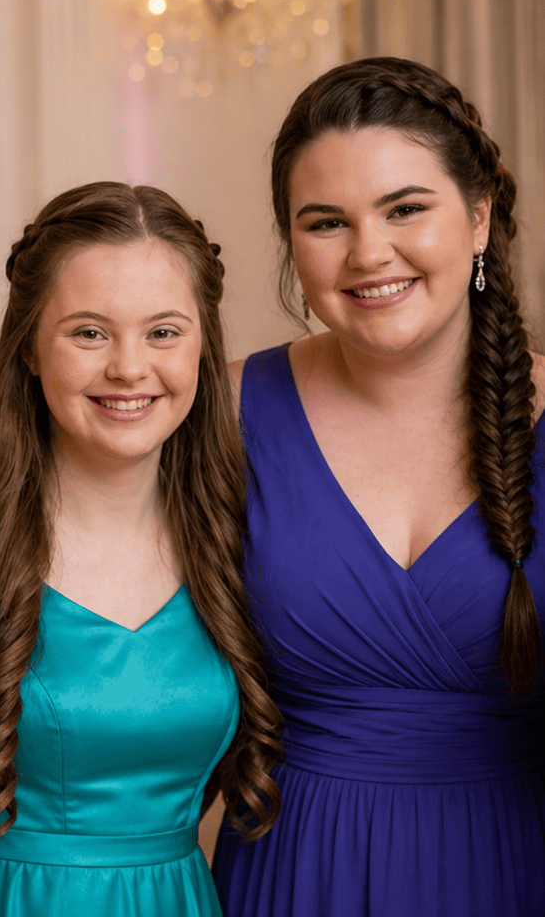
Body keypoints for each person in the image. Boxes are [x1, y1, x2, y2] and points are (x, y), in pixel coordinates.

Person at [213, 57, 545, 916]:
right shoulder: (223, 406)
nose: (369, 253)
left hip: (512, 866)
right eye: (326, 222)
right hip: (291, 872)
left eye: (405, 208)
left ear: (477, 219)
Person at [0, 182, 283, 915]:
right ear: (29, 348)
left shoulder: (241, 543)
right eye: (89, 332)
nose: (129, 368)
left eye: (164, 332)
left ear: (202, 348)